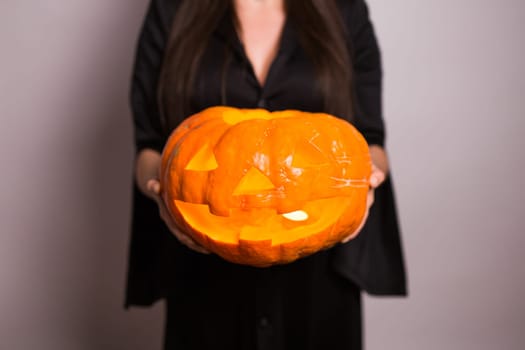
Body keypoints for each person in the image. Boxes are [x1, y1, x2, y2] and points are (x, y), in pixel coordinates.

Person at [125, 0, 407, 349]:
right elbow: (150, 148)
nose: (257, 188)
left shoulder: (343, 9)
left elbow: (371, 139)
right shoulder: (173, 10)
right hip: (202, 278)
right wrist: (162, 190)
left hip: (321, 281)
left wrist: (368, 178)